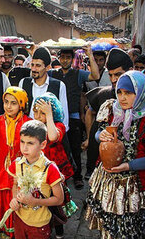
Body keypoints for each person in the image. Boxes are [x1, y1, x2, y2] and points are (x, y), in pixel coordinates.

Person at [85, 70, 145, 238]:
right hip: (107, 179)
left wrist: (130, 165)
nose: (122, 98)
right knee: (107, 227)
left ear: (142, 92)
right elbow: (98, 133)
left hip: (133, 185)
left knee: (128, 229)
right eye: (120, 92)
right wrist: (101, 136)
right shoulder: (112, 109)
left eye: (129, 93)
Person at [48, 45, 100, 190]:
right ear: (58, 58)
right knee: (58, 148)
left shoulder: (78, 74)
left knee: (75, 148)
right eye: (62, 57)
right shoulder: (52, 74)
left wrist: (89, 54)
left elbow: (95, 76)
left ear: (72, 59)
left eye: (68, 57)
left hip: (73, 116)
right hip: (56, 117)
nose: (65, 60)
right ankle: (58, 177)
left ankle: (77, 177)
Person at [0, 86, 31, 238]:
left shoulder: (28, 123)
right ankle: (4, 233)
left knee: (19, 203)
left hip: (20, 174)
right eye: (6, 102)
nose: (8, 106)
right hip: (1, 171)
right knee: (3, 203)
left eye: (13, 103)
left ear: (22, 104)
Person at [7, 120, 64, 239]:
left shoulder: (50, 169)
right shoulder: (17, 164)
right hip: (20, 218)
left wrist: (35, 202)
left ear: (43, 145)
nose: (25, 148)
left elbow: (59, 199)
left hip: (40, 224)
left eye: (30, 143)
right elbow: (15, 184)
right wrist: (14, 199)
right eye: (22, 142)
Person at [83, 48, 133, 179]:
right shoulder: (104, 95)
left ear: (131, 70)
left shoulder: (144, 98)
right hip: (105, 159)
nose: (114, 79)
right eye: (111, 75)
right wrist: (94, 137)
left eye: (118, 74)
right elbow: (91, 115)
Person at [33, 92, 75, 239]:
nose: (38, 116)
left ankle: (59, 232)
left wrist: (49, 116)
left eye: (42, 113)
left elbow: (52, 136)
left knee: (55, 203)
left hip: (55, 172)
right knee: (41, 201)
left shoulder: (58, 125)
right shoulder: (35, 127)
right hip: (39, 171)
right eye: (35, 112)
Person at [19, 47, 69, 131]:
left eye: (38, 65)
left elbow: (64, 119)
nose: (34, 69)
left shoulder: (59, 85)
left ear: (48, 67)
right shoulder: (23, 83)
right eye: (32, 65)